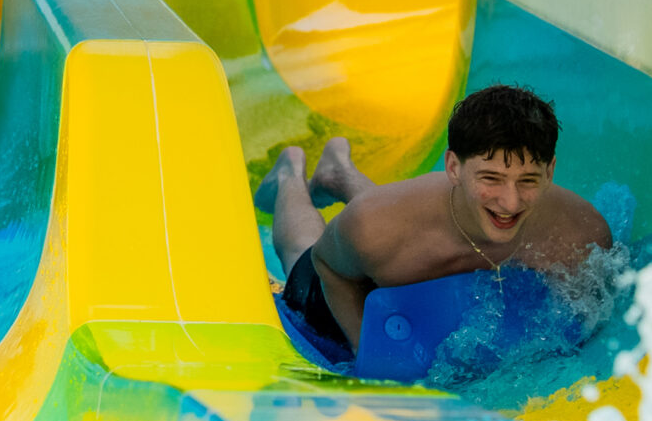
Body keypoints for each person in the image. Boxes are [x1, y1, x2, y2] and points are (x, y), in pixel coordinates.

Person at [259, 84, 610, 362]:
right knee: (300, 253)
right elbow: (326, 264)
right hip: (353, 288)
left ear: (550, 171)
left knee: (392, 226)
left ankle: (340, 173)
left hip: (403, 227)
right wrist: (363, 351)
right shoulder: (374, 227)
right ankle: (290, 173)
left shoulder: (581, 233)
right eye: (490, 178)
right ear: (453, 167)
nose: (510, 202)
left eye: (528, 180)